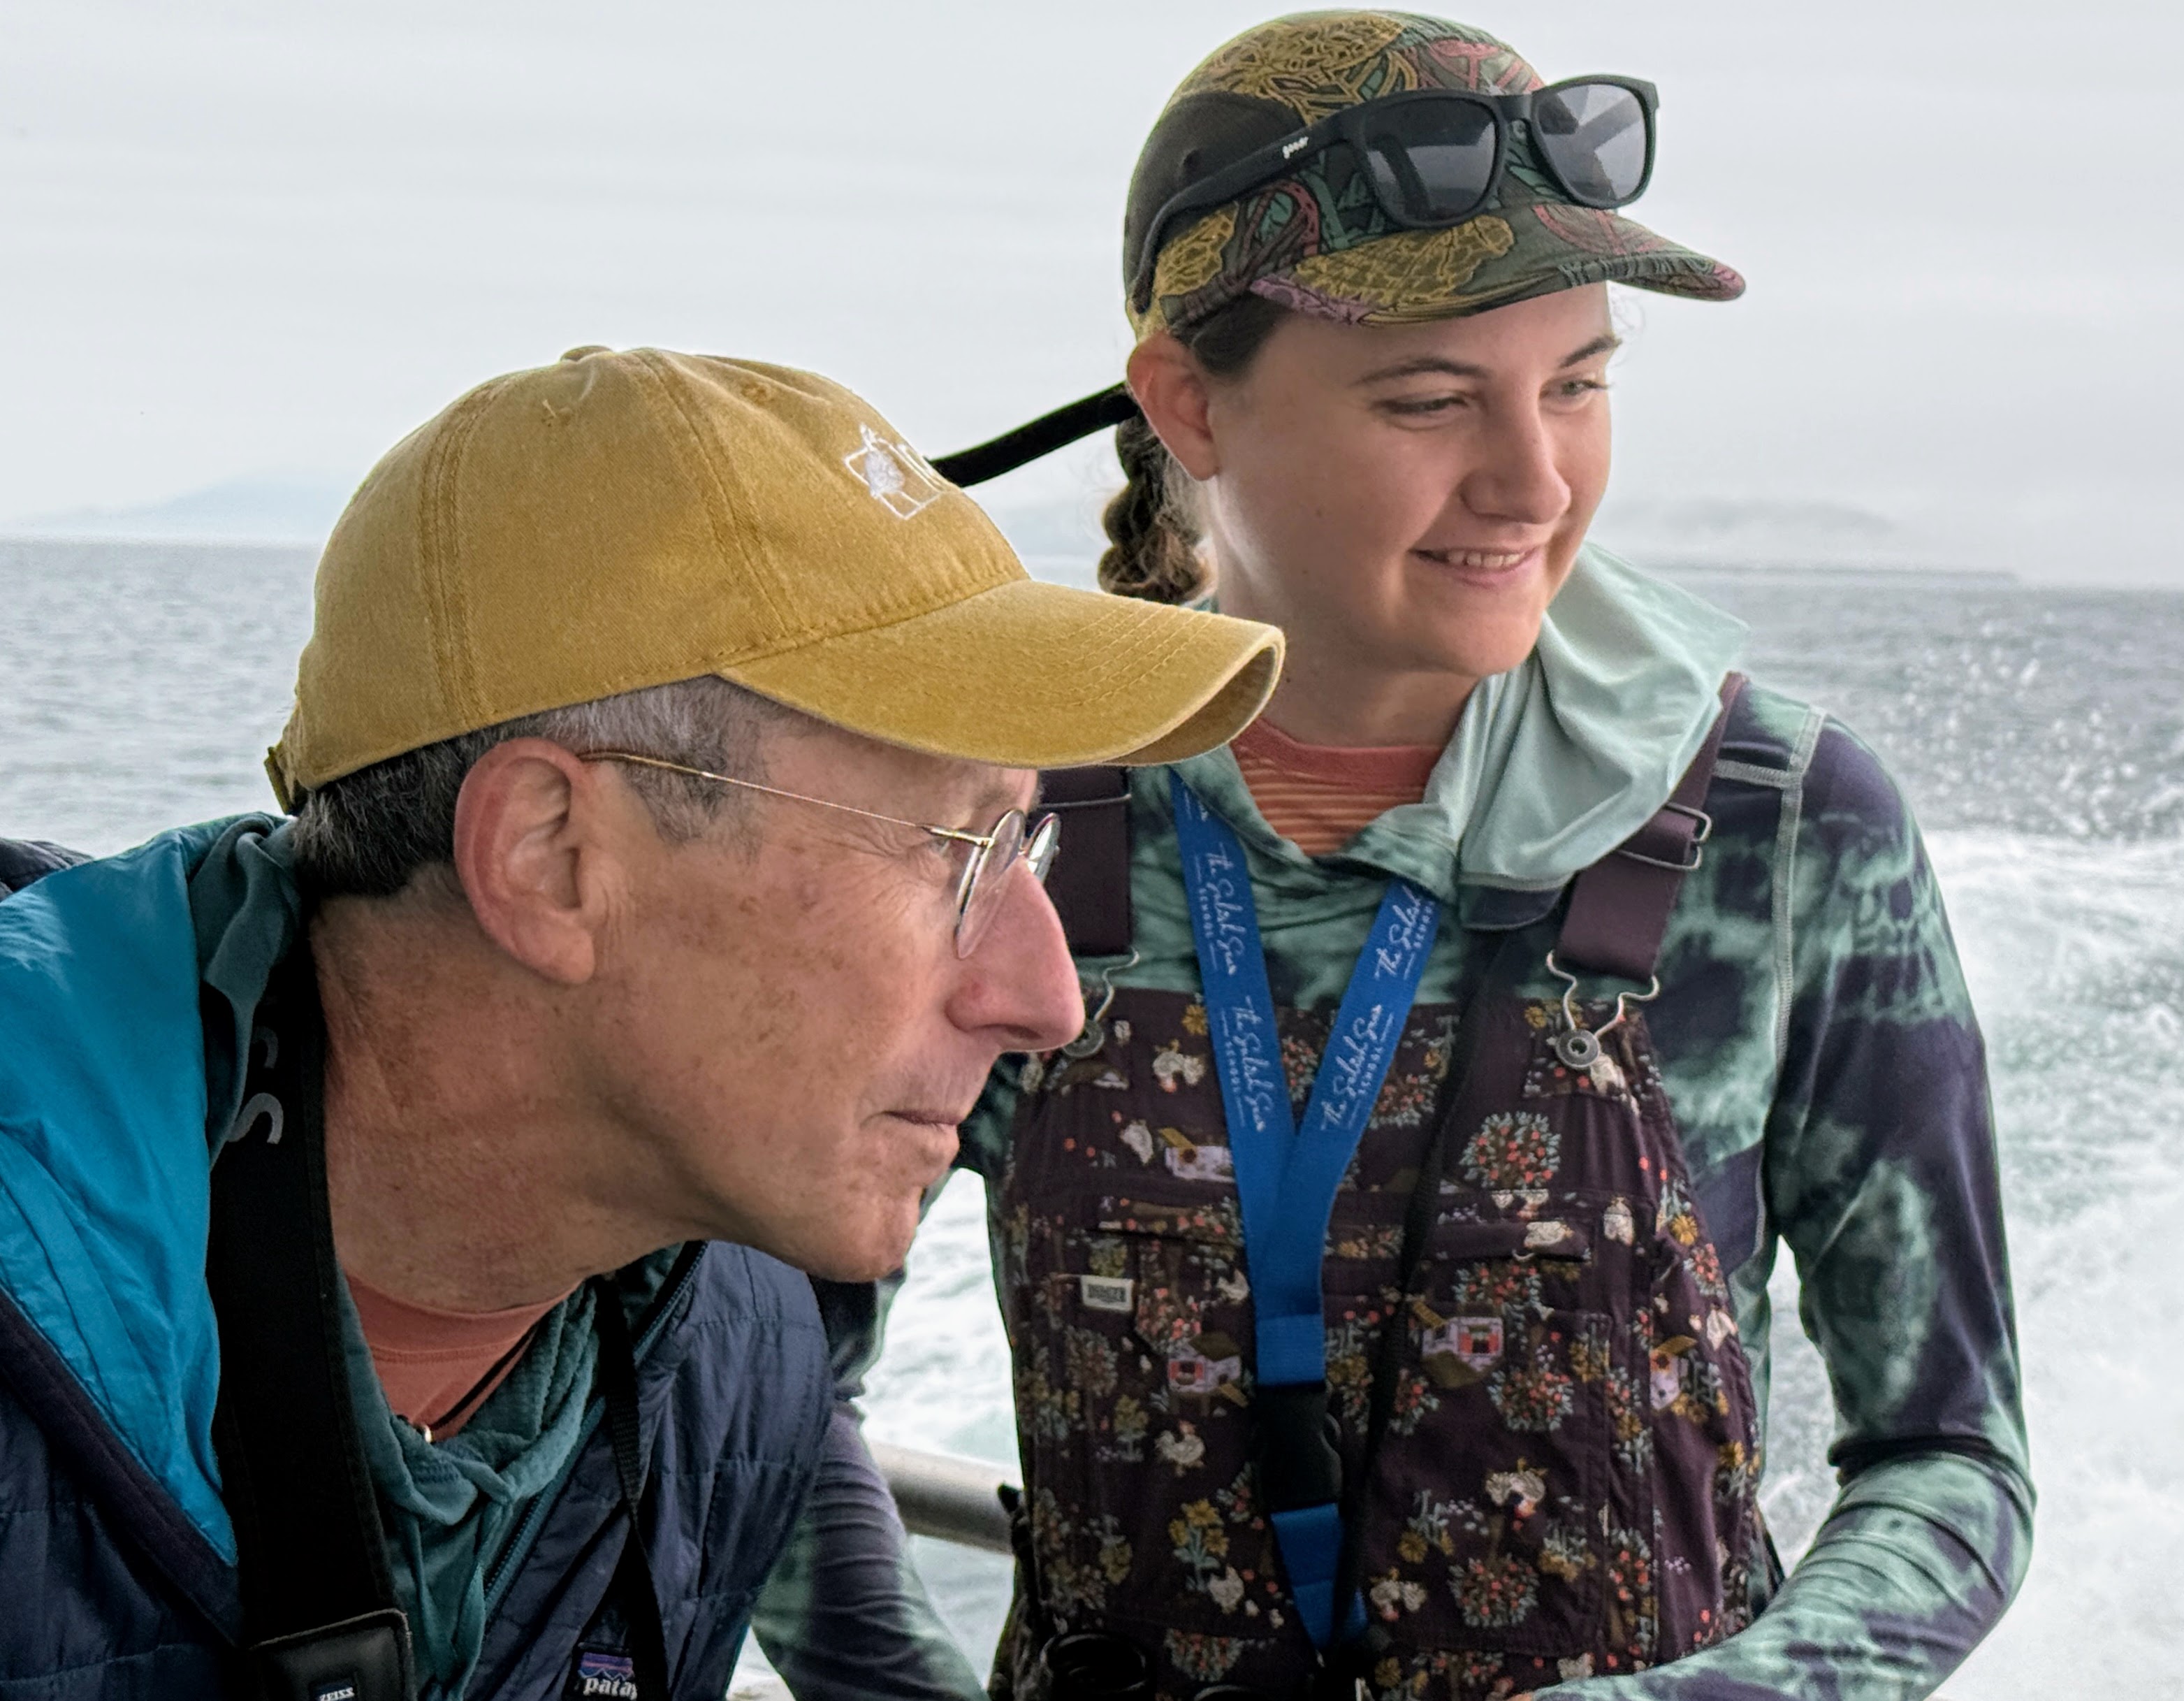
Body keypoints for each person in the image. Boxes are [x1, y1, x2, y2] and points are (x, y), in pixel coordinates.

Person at [790, 13, 2034, 1701]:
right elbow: (758, 1379)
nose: (1532, 479)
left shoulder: (1783, 823)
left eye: (1579, 385)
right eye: (1431, 398)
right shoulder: (1005, 816)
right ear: (1187, 404)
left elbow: (1950, 1459)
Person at [0, 347, 1282, 1698]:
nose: (1045, 997)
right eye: (956, 852)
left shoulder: (737, 1366)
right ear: (549, 854)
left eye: (1031, 844)